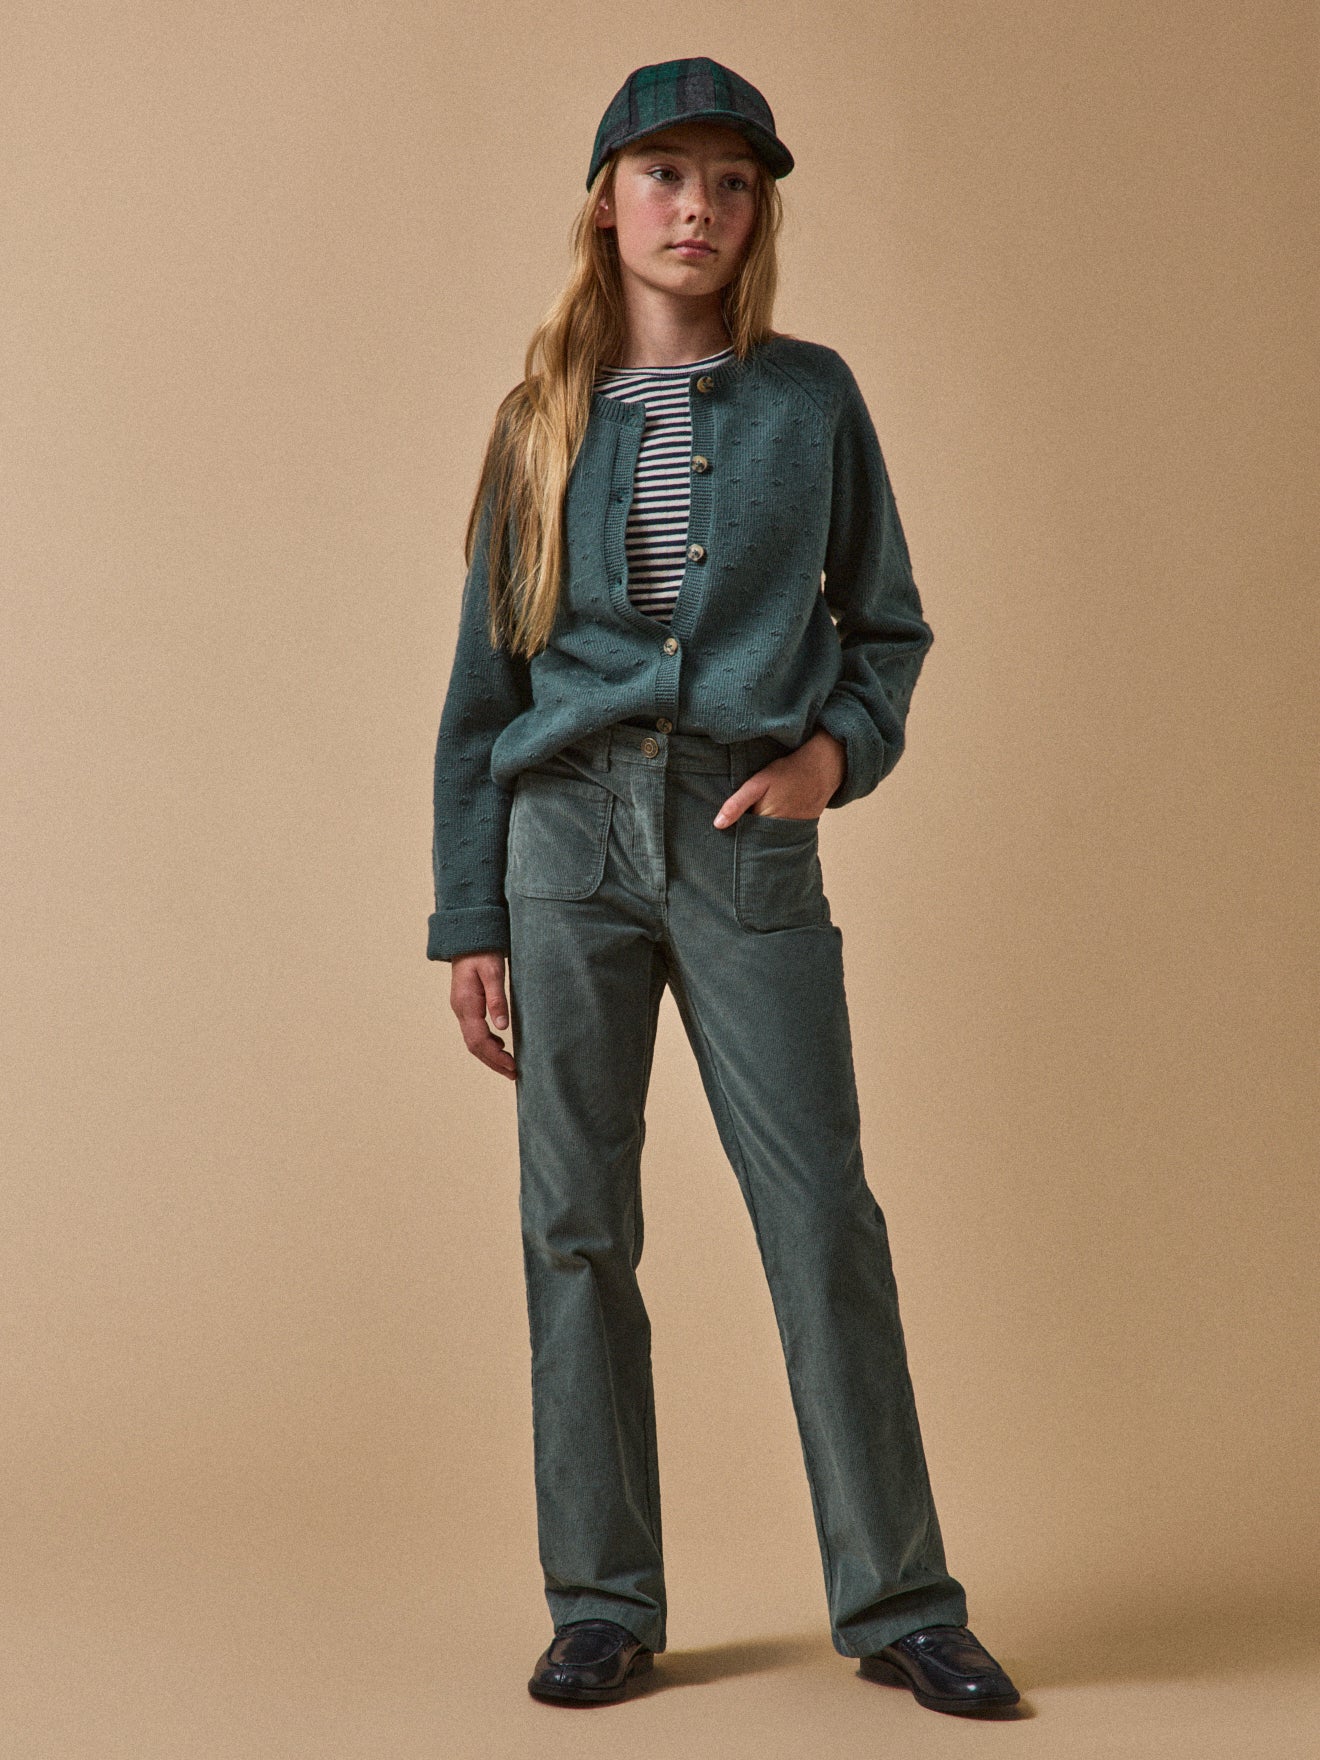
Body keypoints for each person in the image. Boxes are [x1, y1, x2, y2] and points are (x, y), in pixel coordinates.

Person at [427, 55, 1021, 1718]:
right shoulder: (536, 422)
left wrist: (832, 757)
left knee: (820, 1211)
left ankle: (901, 1601)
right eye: (666, 175)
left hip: (741, 831)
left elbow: (886, 628)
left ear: (758, 214)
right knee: (574, 1227)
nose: (698, 208)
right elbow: (482, 695)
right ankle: (601, 1601)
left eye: (732, 183)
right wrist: (468, 916)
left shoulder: (811, 400)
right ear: (607, 202)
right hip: (561, 847)